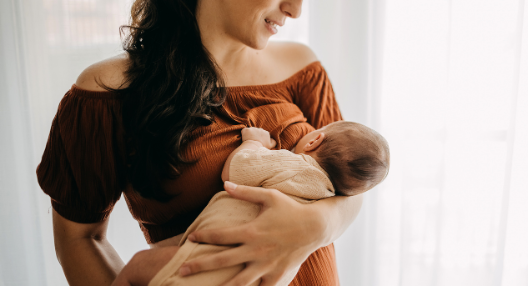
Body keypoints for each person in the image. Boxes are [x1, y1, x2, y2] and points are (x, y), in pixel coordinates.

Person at [35, 0, 363, 285]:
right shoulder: (107, 94)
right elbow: (79, 238)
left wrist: (314, 225)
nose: (295, 9)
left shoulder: (302, 69)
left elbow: (352, 183)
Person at [112, 120, 390, 286]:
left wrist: (253, 144)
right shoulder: (328, 195)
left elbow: (236, 171)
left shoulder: (296, 164)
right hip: (255, 277)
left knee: (138, 266)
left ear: (315, 139)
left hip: (212, 265)